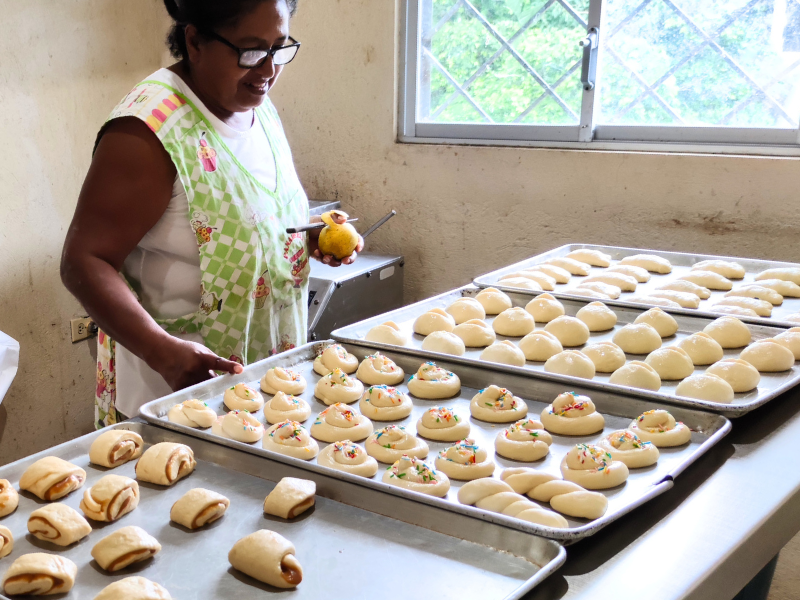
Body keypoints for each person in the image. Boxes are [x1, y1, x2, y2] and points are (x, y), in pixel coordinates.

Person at [61, 0, 361, 427]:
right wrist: (163, 352)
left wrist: (304, 238)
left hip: (264, 392)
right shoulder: (147, 132)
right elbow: (83, 261)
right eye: (252, 50)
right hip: (176, 399)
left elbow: (244, 210)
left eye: (280, 47)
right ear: (195, 41)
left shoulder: (253, 103)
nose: (269, 70)